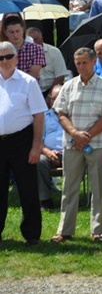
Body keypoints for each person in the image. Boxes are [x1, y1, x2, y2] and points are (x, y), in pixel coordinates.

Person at [51, 47, 102, 243]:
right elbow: (61, 113)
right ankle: (65, 230)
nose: (81, 66)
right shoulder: (68, 86)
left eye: (84, 62)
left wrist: (86, 136)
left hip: (96, 144)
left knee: (98, 188)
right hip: (72, 144)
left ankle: (98, 230)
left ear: (94, 61)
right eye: (77, 63)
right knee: (69, 188)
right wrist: (74, 133)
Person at [0, 40, 45, 245]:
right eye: (0, 58)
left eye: (8, 56)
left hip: (22, 140)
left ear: (16, 58)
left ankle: (32, 235)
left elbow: (39, 116)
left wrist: (36, 146)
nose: (4, 61)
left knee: (28, 189)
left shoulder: (28, 82)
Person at [2, 14, 45, 79]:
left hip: (29, 87)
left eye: (17, 31)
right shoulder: (2, 51)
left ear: (23, 29)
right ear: (5, 32)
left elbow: (34, 74)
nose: (15, 35)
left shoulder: (36, 49)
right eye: (11, 32)